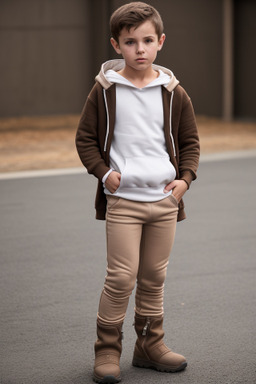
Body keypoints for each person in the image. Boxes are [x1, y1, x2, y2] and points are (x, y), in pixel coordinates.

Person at [76, 2, 200, 383]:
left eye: (147, 40)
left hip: (164, 201)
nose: (140, 49)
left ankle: (149, 345)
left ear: (160, 42)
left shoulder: (174, 92)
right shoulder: (106, 91)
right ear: (117, 45)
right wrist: (103, 173)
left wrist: (185, 180)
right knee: (121, 278)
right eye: (131, 42)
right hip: (125, 202)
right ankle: (107, 351)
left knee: (153, 277)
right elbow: (85, 140)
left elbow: (190, 141)